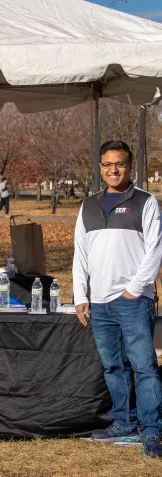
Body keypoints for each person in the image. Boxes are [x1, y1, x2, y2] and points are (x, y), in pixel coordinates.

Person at [73, 140, 162, 458]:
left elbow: (155, 251)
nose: (114, 170)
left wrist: (133, 290)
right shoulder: (88, 205)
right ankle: (123, 423)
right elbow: (80, 254)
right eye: (107, 164)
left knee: (144, 367)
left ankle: (151, 431)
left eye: (120, 164)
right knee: (113, 366)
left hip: (133, 300)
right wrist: (81, 295)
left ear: (130, 166)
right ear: (100, 168)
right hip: (98, 303)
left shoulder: (145, 202)